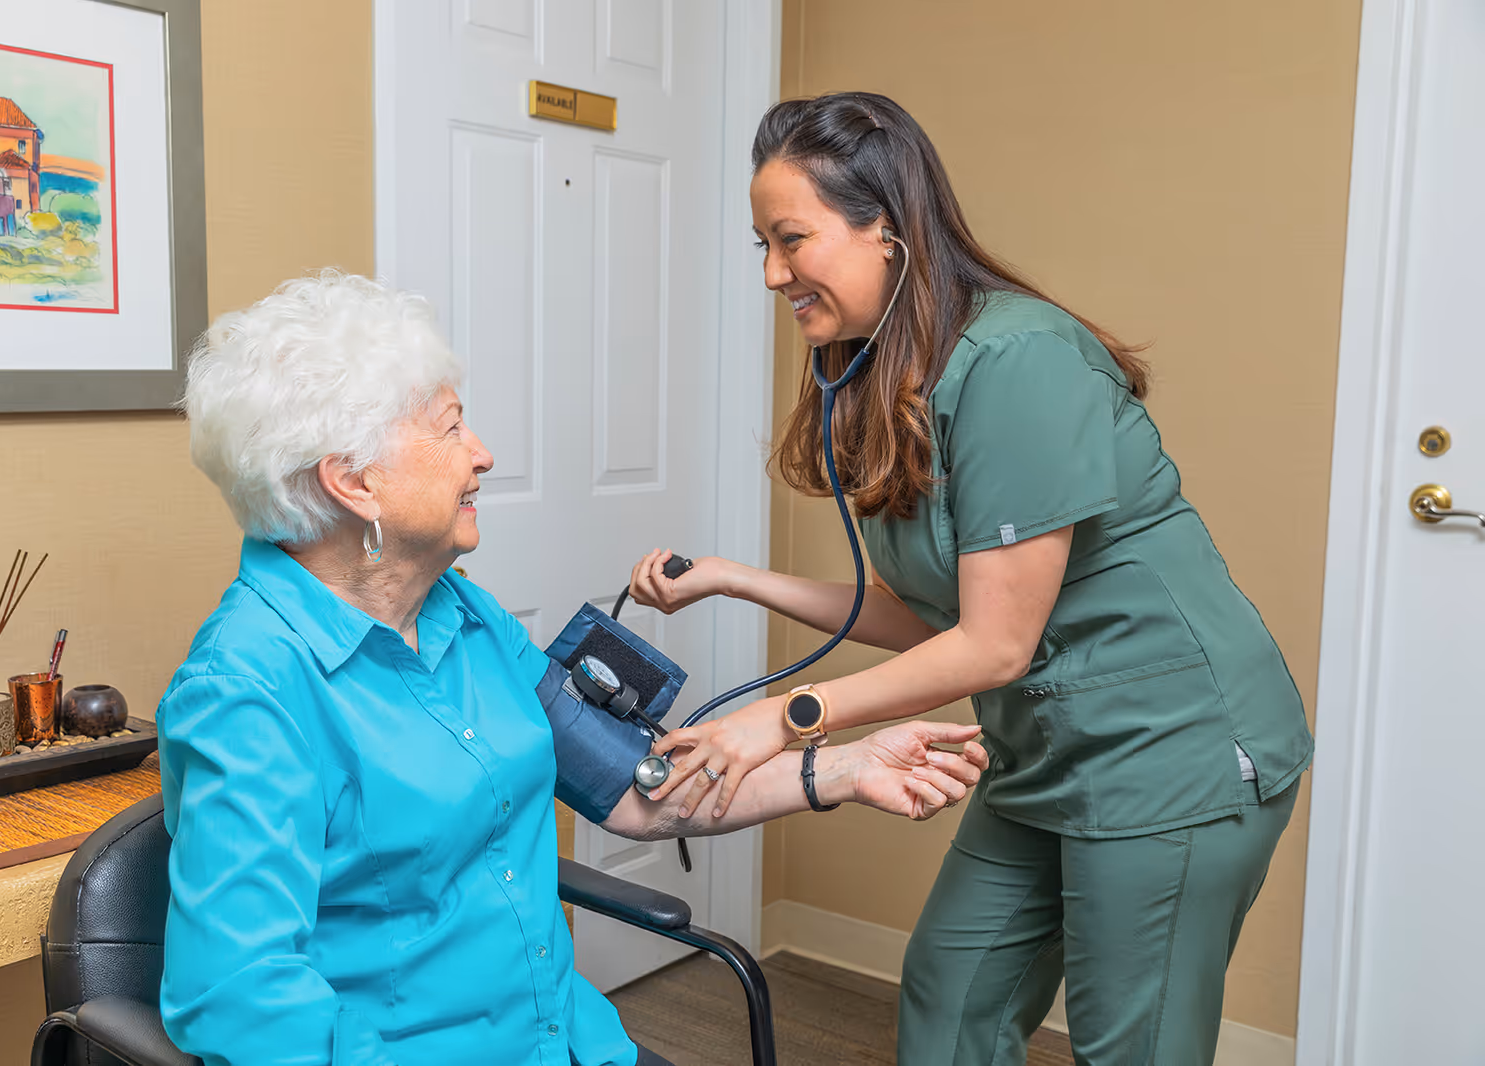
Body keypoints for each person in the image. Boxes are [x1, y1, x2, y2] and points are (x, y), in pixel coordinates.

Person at [626, 93, 1314, 1066]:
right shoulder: (888, 373)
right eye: (761, 247)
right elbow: (932, 617)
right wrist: (737, 580)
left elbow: (993, 642)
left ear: (889, 233)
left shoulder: (1019, 359)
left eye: (791, 240)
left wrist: (782, 717)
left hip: (1171, 749)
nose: (775, 273)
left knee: (1134, 1044)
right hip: (1043, 751)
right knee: (951, 1002)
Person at [158, 270, 991, 1066]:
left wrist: (844, 767)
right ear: (354, 483)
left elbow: (638, 788)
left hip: (568, 1042)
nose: (481, 454)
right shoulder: (245, 690)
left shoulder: (465, 615)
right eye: (450, 428)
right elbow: (238, 999)